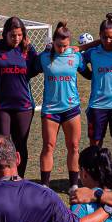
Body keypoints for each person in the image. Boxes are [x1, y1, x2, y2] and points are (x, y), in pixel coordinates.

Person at [0, 16, 39, 178]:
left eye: (19, 35)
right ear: (5, 34)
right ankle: (1, 179)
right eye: (13, 35)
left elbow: (38, 68)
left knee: (20, 145)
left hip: (23, 106)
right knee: (1, 147)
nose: (16, 39)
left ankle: (19, 179)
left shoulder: (28, 49)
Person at [36, 22, 84, 189]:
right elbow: (29, 70)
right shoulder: (44, 57)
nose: (62, 49)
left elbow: (89, 74)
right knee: (48, 146)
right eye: (58, 46)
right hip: (50, 110)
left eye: (65, 46)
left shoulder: (76, 56)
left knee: (74, 146)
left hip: (71, 109)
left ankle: (74, 185)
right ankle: (44, 185)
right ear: (53, 42)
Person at [82, 13, 112, 180]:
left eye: (111, 38)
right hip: (97, 107)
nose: (108, 41)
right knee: (95, 146)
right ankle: (95, 179)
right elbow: (79, 62)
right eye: (104, 37)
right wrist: (88, 74)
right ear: (99, 36)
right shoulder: (93, 52)